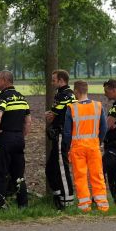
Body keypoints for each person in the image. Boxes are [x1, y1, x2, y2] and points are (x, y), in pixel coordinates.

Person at [62, 80, 109, 212]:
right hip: (93, 146)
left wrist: (66, 148)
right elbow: (104, 128)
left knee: (80, 177)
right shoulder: (98, 106)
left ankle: (84, 207)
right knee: (97, 175)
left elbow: (66, 133)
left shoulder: (72, 108)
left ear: (76, 91)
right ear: (86, 90)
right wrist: (97, 141)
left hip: (77, 148)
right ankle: (102, 206)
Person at [0, 70, 31, 208]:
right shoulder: (22, 98)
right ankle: (23, 205)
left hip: (4, 138)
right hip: (19, 139)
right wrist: (21, 135)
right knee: (18, 174)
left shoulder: (3, 98)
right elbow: (28, 121)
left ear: (5, 80)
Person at [45, 69, 76, 209]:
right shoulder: (65, 94)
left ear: (61, 80)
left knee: (61, 168)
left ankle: (67, 202)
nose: (52, 83)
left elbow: (52, 115)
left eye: (54, 80)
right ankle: (58, 196)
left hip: (61, 135)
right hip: (61, 134)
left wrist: (51, 115)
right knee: (51, 168)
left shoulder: (64, 95)